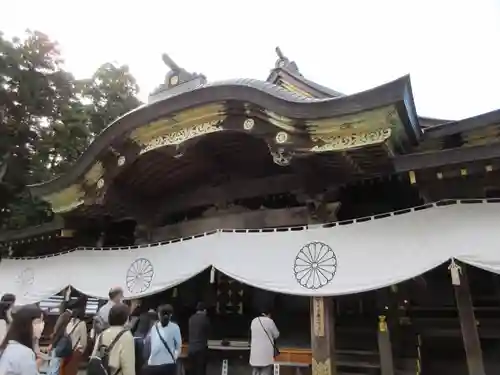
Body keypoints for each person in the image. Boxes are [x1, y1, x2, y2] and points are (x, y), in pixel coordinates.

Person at [0, 304, 45, 375]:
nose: (42, 325)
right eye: (38, 322)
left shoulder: (9, 347)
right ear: (25, 325)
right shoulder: (24, 353)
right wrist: (35, 366)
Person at [91, 303, 135, 375]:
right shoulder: (127, 336)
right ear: (126, 319)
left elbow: (93, 357)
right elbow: (128, 366)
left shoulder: (102, 334)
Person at [144, 304, 182, 375]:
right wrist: (174, 357)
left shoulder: (154, 327)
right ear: (171, 315)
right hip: (168, 364)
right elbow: (178, 346)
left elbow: (147, 344)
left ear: (158, 314)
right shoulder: (175, 327)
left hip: (153, 363)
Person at [249, 310, 280, 375]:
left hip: (254, 353)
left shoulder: (254, 321)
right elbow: (276, 334)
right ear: (269, 314)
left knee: (255, 371)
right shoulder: (269, 321)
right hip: (266, 354)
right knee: (266, 371)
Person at [60, 307, 87, 375]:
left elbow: (65, 335)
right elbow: (84, 340)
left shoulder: (69, 323)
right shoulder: (82, 323)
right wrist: (81, 350)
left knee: (65, 369)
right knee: (72, 370)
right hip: (75, 350)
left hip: (66, 350)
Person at [47, 308, 72, 375]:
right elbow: (58, 336)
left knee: (52, 366)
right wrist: (52, 344)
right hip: (58, 348)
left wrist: (51, 344)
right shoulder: (63, 330)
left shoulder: (58, 327)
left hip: (56, 347)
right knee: (55, 367)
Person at [188, 302, 210, 375]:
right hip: (201, 348)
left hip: (191, 348)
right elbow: (208, 331)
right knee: (200, 370)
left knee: (192, 370)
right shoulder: (205, 319)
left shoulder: (191, 318)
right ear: (204, 310)